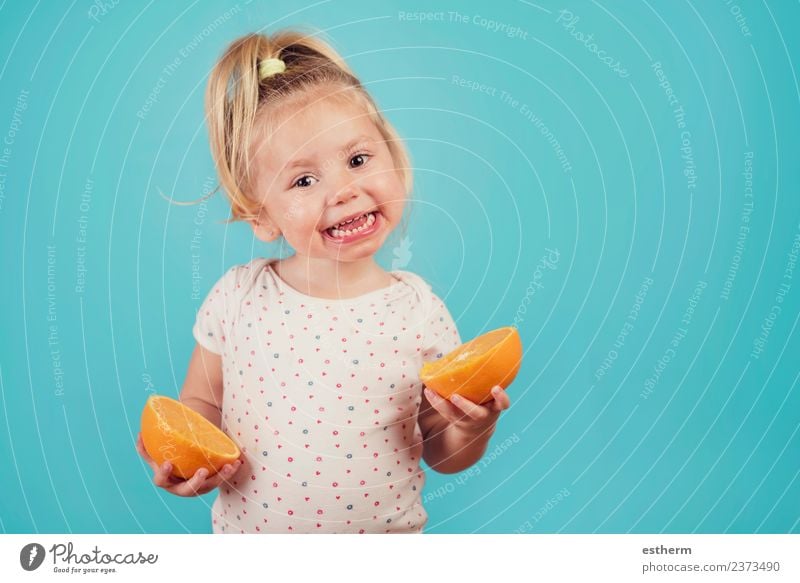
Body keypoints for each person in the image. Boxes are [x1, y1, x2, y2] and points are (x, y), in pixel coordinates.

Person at [135, 28, 512, 533]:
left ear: (393, 157)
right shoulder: (238, 298)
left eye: (358, 160)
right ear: (260, 217)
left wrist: (473, 426)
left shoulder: (419, 311)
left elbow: (443, 454)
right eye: (303, 181)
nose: (344, 191)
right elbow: (201, 403)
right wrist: (187, 457)